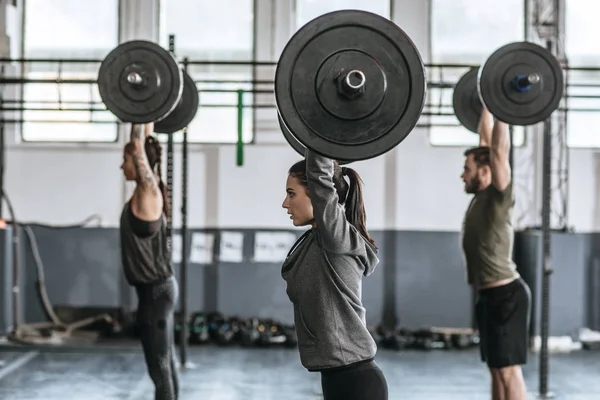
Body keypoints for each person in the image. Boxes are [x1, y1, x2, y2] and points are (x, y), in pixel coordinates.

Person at [280, 149, 388, 400]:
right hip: (336, 377)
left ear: (317, 196)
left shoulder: (335, 239)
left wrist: (316, 134)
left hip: (357, 382)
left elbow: (320, 179)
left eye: (291, 194)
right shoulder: (314, 242)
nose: (285, 203)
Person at [461, 108, 531, 400]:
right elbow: (486, 140)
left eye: (467, 169)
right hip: (489, 297)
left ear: (485, 171)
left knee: (508, 372)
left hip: (507, 297)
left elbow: (498, 152)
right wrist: (488, 106)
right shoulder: (481, 196)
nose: (462, 174)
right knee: (495, 368)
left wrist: (502, 110)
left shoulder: (498, 195)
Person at [120, 122, 179, 400]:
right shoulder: (147, 191)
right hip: (156, 291)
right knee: (165, 363)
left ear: (137, 157)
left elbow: (138, 145)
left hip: (155, 292)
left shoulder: (149, 191)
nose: (122, 166)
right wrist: (146, 117)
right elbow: (143, 141)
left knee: (159, 367)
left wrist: (137, 115)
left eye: (125, 160)